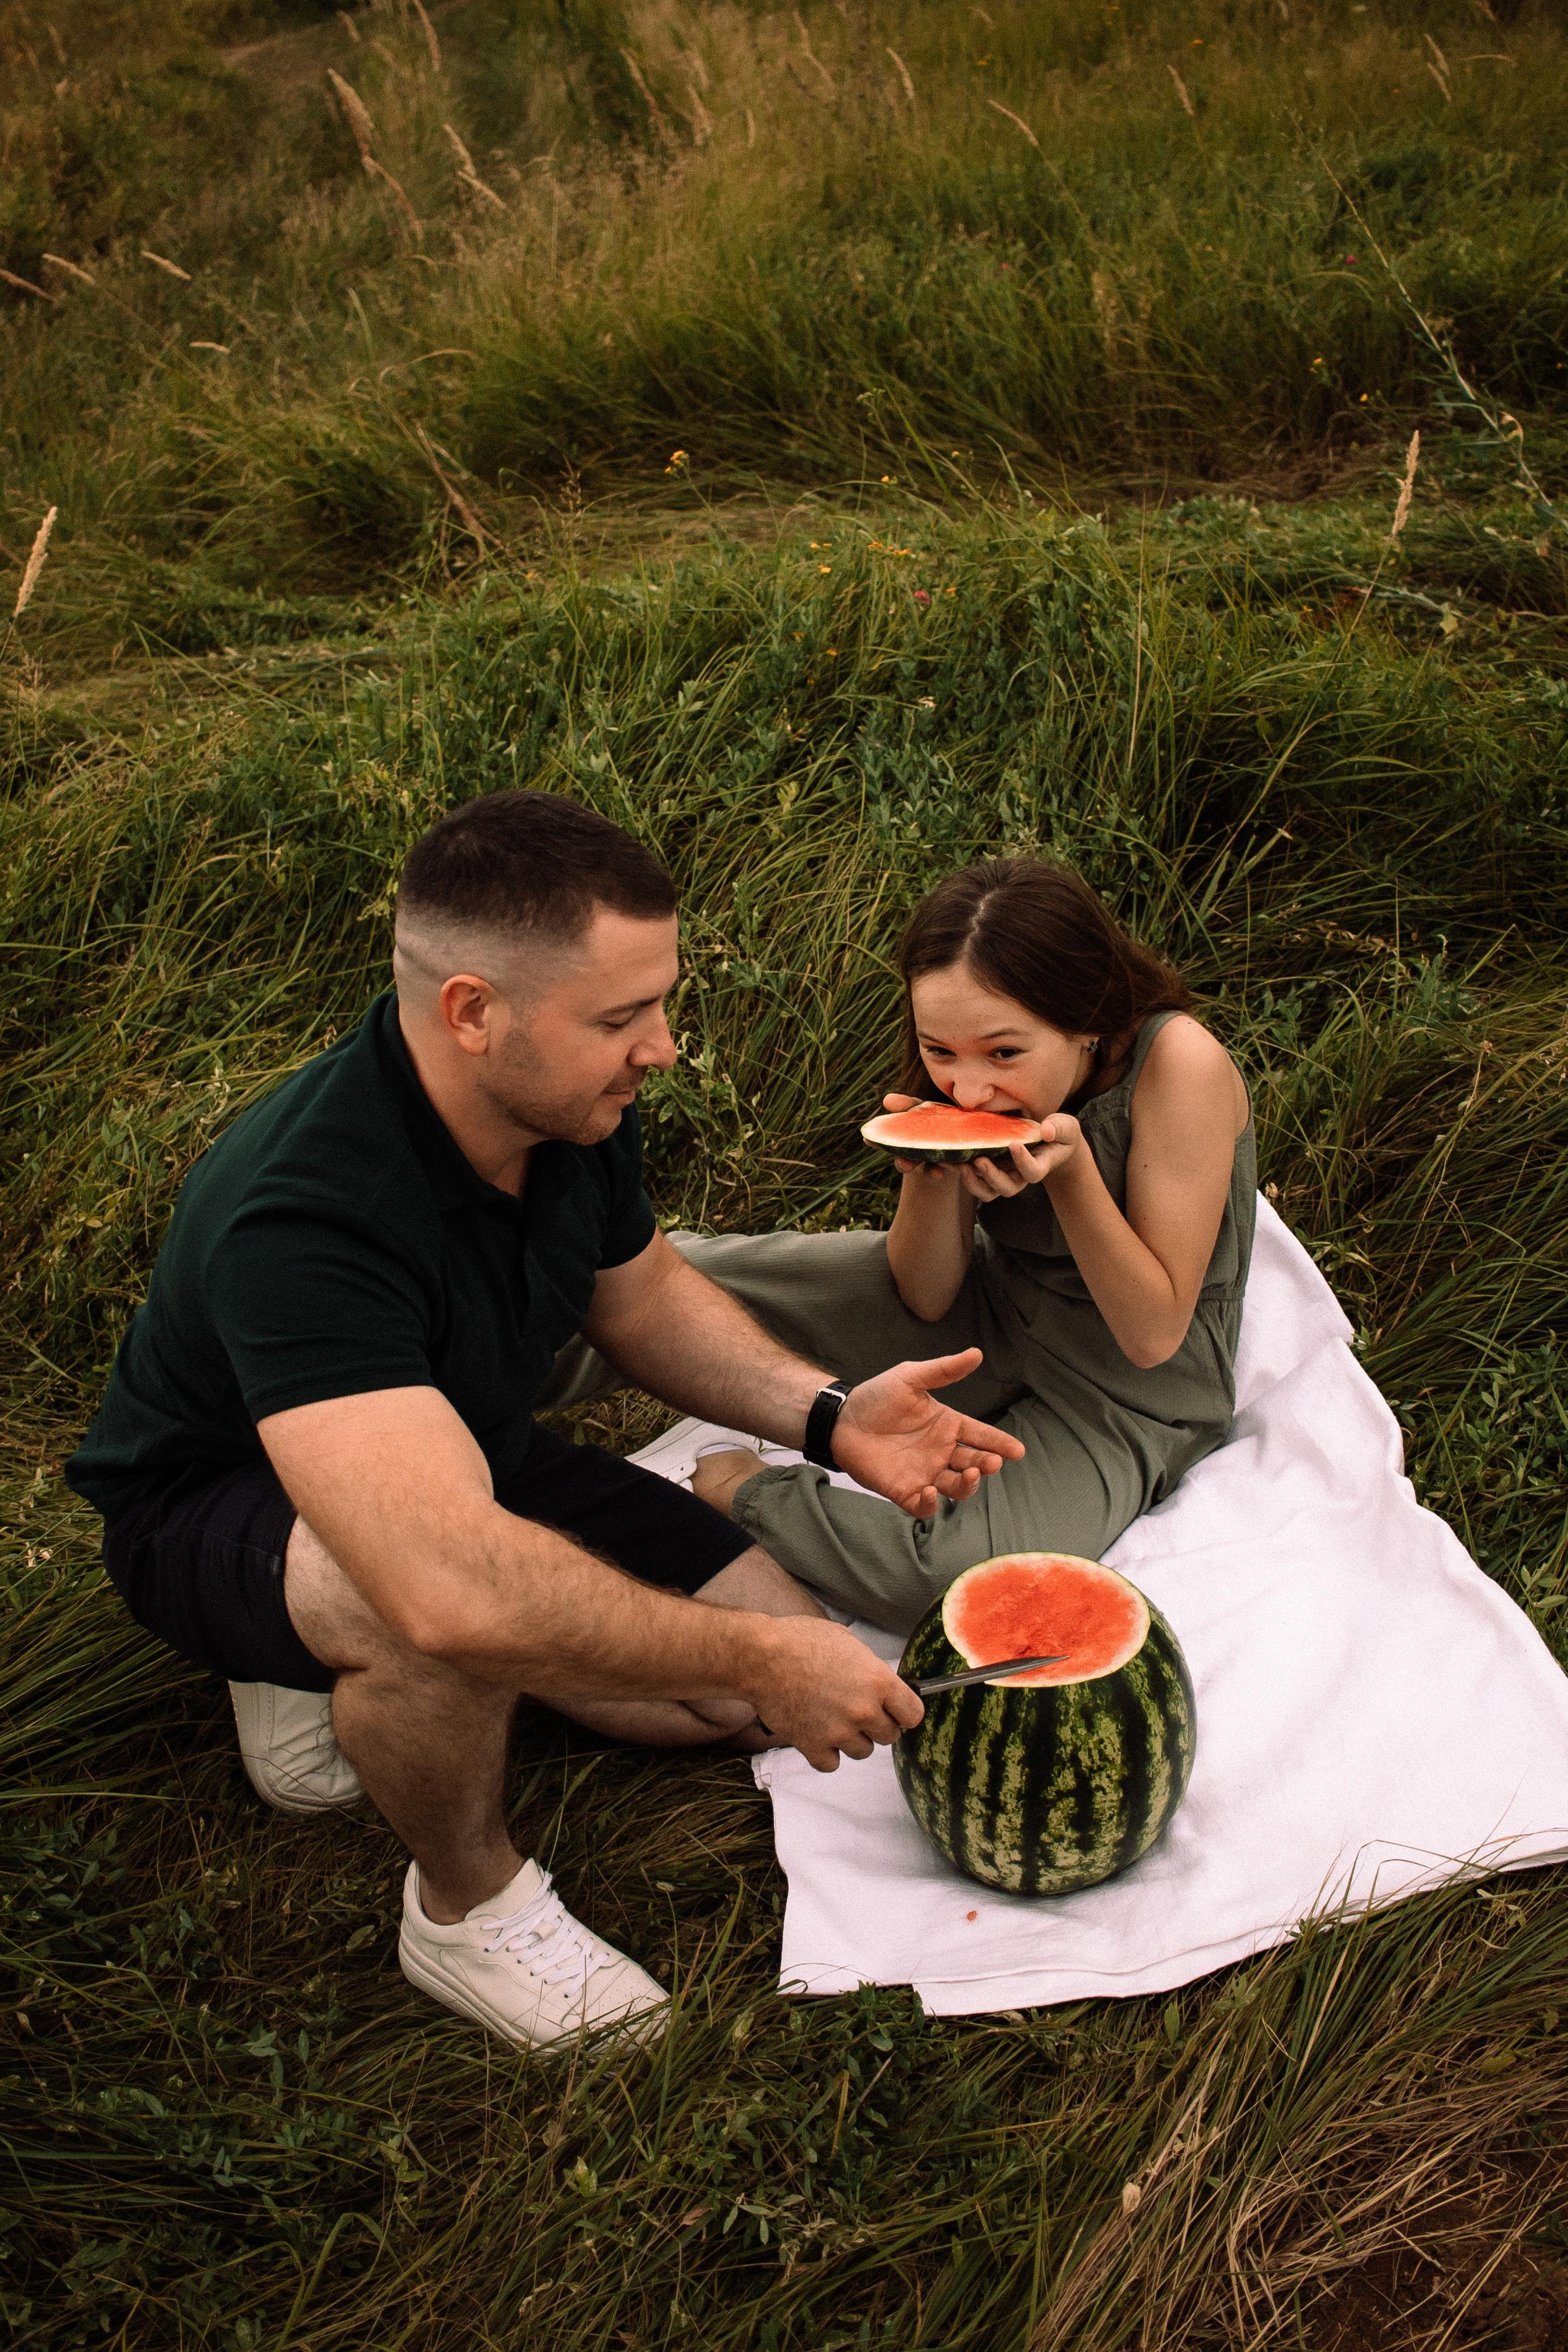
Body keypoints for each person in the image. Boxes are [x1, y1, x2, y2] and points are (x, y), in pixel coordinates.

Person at [64, 794, 1027, 2053]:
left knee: (719, 1709)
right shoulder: (304, 1217)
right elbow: (450, 1588)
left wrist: (831, 1415)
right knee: (431, 1623)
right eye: (624, 1018)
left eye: (661, 1003)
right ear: (473, 1012)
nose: (666, 1047)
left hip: (454, 1445)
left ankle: (335, 1642)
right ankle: (464, 1906)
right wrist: (752, 1658)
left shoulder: (564, 1109)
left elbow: (647, 1303)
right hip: (214, 1498)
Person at [560, 857, 1255, 1631]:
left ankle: (740, 1489)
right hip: (994, 1314)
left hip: (1125, 1394)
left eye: (1003, 1054)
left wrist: (1070, 1174)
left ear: (1085, 1015)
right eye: (939, 1051)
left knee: (955, 1584)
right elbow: (925, 1296)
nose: (966, 1090)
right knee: (676, 1278)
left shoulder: (1179, 1064)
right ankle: (474, 1371)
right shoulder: (959, 1080)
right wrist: (932, 1173)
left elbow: (1153, 1334)